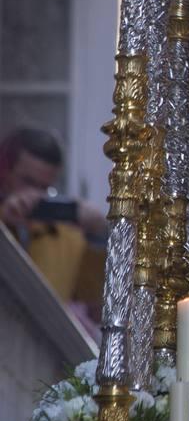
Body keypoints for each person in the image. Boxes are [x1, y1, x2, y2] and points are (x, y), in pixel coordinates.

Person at [0, 127, 107, 306]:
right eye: (27, 182)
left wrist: (99, 235)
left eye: (44, 188)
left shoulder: (67, 237)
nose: (35, 195)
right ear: (4, 173)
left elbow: (94, 304)